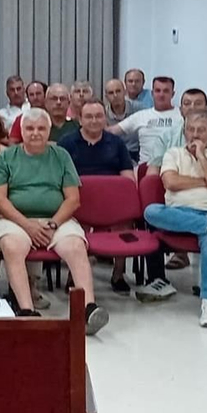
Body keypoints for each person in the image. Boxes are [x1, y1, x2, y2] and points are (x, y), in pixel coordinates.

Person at [0, 108, 108, 334]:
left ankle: (88, 309)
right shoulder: (6, 157)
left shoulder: (61, 156)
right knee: (12, 246)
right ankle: (26, 310)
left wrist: (52, 224)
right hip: (15, 219)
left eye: (41, 128)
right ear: (21, 131)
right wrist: (28, 225)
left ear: (48, 132)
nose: (35, 133)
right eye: (30, 128)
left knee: (75, 246)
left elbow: (73, 200)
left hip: (57, 219)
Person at [143, 111, 207, 329]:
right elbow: (171, 182)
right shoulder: (173, 153)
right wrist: (206, 182)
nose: (194, 135)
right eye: (190, 130)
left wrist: (201, 157)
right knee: (151, 211)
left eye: (201, 130)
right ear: (184, 130)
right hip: (179, 213)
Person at [59, 101, 138, 292]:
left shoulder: (117, 143)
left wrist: (128, 196)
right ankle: (74, 276)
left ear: (105, 118)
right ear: (80, 119)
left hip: (112, 201)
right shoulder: (66, 143)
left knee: (124, 224)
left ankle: (118, 275)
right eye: (89, 116)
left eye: (98, 116)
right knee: (77, 230)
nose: (94, 121)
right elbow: (58, 176)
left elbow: (127, 176)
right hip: (79, 201)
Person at [113, 75, 180, 168]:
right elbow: (111, 131)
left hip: (175, 168)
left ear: (172, 94)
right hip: (145, 168)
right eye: (158, 91)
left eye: (166, 91)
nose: (161, 94)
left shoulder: (182, 115)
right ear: (152, 93)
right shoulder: (141, 115)